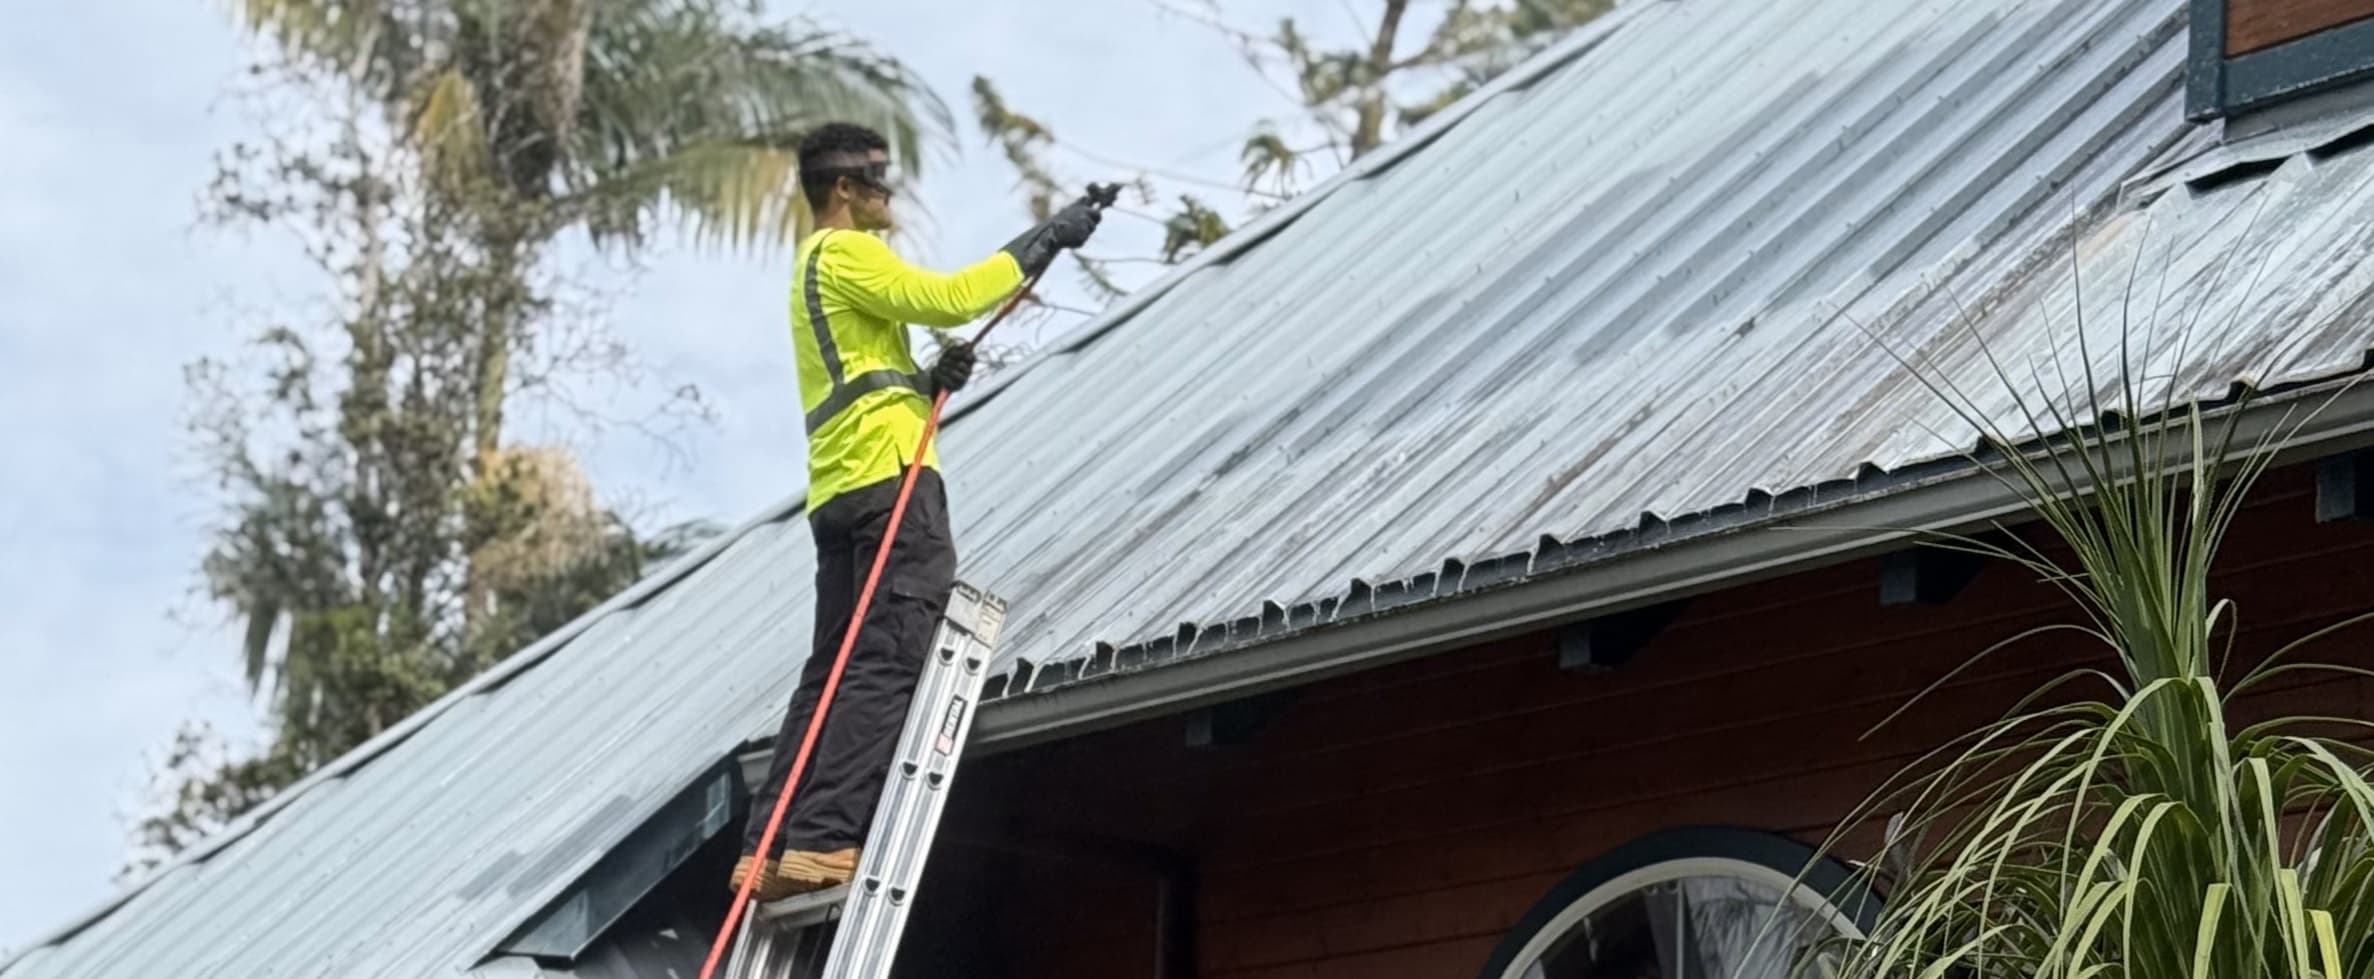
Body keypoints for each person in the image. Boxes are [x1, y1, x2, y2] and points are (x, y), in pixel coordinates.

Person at [733, 122, 1104, 900]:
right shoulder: (846, 252)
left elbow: (866, 374)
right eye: (877, 178)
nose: (889, 192)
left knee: (830, 668)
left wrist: (927, 381)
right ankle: (826, 836)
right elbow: (951, 297)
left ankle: (769, 845)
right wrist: (1045, 239)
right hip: (891, 480)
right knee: (891, 650)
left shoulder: (812, 270)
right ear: (843, 189)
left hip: (841, 488)